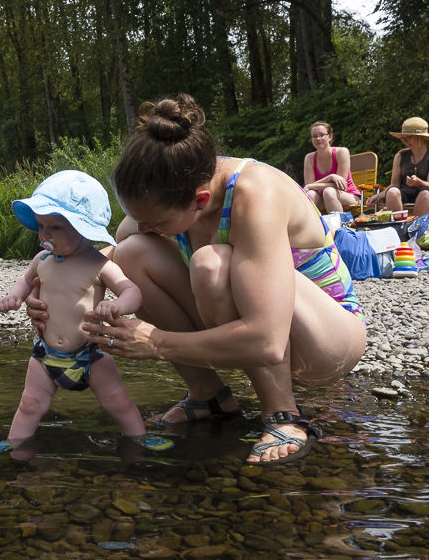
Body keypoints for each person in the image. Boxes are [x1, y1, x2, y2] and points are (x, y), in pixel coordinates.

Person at [30, 95, 366, 465]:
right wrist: (58, 292)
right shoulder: (172, 188)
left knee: (210, 264)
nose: (144, 228)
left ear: (200, 200)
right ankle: (209, 398)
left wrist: (157, 342)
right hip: (268, 330)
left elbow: (267, 342)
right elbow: (105, 257)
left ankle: (282, 414)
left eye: (155, 223)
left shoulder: (255, 193)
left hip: (327, 339)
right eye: (136, 216)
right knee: (132, 253)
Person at [0, 170, 172, 455]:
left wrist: (117, 306)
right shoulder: (41, 259)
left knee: (117, 401)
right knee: (30, 404)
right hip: (46, 355)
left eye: (55, 227)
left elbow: (132, 291)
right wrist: (14, 296)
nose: (45, 233)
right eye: (42, 225)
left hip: (90, 355)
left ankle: (138, 437)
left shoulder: (100, 264)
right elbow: (23, 281)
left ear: (84, 228)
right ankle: (14, 443)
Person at [366, 117, 429, 217]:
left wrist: (418, 182)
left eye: (408, 137)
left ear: (422, 138)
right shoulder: (400, 156)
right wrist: (378, 195)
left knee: (425, 193)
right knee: (392, 191)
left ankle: (417, 229)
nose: (405, 141)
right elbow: (394, 184)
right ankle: (398, 228)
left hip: (425, 193)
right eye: (403, 138)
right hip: (404, 193)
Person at [302, 121, 361, 213]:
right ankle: (313, 226)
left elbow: (340, 185)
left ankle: (340, 226)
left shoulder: (342, 152)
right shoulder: (309, 158)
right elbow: (309, 187)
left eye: (322, 135)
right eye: (314, 136)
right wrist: (330, 177)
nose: (318, 138)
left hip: (348, 195)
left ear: (330, 137)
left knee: (329, 191)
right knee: (310, 194)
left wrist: (311, 185)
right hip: (322, 196)